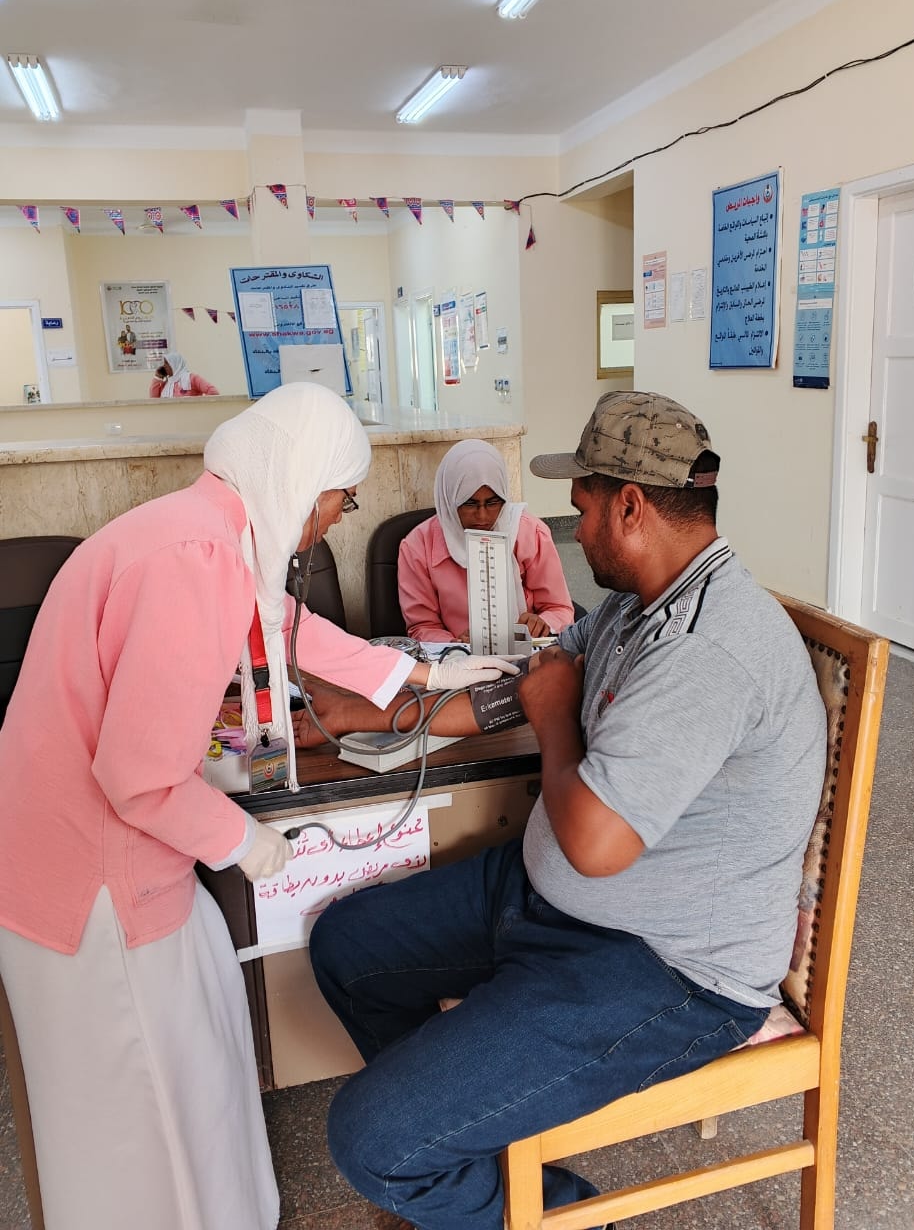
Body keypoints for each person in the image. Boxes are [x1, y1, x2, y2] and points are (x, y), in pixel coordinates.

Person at [298, 389, 827, 1230]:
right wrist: (368, 712)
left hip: (666, 966)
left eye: (582, 506)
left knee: (370, 1141)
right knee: (348, 947)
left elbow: (594, 842)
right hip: (556, 902)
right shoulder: (637, 603)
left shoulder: (708, 650)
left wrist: (552, 717)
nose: (572, 527)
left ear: (631, 505)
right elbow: (523, 686)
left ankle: (560, 1213)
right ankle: (467, 1145)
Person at [0, 383, 515, 1230]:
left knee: (198, 1065)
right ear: (303, 481)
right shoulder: (194, 558)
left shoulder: (204, 535)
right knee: (146, 1112)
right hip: (92, 880)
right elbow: (138, 776)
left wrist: (425, 671)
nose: (339, 519)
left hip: (101, 858)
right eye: (342, 498)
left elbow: (287, 625)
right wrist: (242, 839)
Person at [398, 438, 574, 642]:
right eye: (469, 504)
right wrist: (456, 643)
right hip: (456, 656)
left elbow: (560, 609)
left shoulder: (530, 533)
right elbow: (422, 627)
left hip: (528, 650)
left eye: (492, 503)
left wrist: (542, 623)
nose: (482, 516)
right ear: (449, 500)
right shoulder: (418, 547)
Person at [150, 349, 220, 397]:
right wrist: (157, 377)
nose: (164, 366)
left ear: (175, 364)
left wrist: (199, 407)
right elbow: (154, 399)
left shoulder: (192, 378)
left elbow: (213, 392)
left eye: (167, 363)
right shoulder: (167, 383)